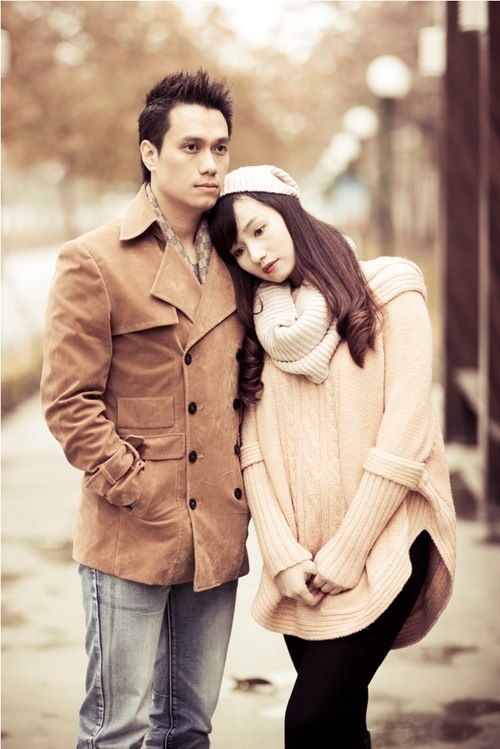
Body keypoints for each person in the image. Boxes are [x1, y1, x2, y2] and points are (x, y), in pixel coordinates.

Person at [207, 164, 457, 749]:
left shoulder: (390, 289)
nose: (255, 255)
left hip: (387, 544)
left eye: (260, 230)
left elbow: (407, 435)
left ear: (291, 212)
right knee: (341, 727)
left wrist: (348, 553)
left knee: (309, 723)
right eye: (238, 250)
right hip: (304, 566)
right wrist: (281, 556)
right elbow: (252, 451)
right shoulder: (259, 329)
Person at [40, 69, 250, 749]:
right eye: (191, 147)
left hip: (216, 528)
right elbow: (68, 401)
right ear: (150, 153)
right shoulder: (93, 260)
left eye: (220, 148)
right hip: (132, 527)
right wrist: (134, 485)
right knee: (117, 730)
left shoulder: (239, 257)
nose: (210, 163)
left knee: (189, 728)